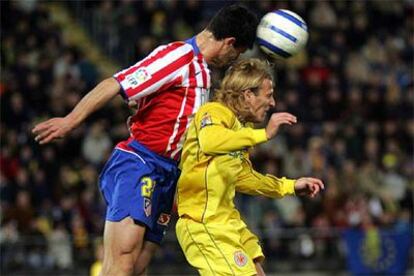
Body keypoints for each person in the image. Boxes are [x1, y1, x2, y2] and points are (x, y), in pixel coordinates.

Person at [32, 4, 259, 275]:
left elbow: (160, 108)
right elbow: (115, 83)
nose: (234, 59)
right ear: (230, 42)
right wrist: (70, 120)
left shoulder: (203, 72)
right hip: (141, 164)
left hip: (168, 174)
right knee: (123, 262)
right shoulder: (178, 57)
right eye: (237, 52)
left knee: (137, 267)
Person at [175, 58, 325, 275]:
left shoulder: (241, 129)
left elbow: (245, 178)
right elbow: (210, 141)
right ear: (247, 95)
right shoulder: (213, 112)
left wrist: (290, 186)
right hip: (203, 223)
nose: (272, 103)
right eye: (268, 95)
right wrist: (263, 134)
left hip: (228, 221)